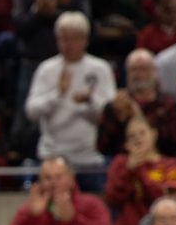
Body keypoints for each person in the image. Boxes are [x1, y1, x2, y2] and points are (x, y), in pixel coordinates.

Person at [24, 12, 116, 183]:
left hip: (89, 159)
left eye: (74, 39)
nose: (69, 44)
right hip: (52, 157)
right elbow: (31, 111)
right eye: (64, 39)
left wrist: (90, 100)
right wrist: (58, 94)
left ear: (85, 40)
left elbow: (111, 114)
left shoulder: (100, 69)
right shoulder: (47, 69)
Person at [104, 119, 176, 225]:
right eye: (132, 136)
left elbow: (162, 201)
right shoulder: (120, 163)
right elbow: (112, 198)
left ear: (154, 134)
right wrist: (127, 170)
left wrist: (139, 170)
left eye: (142, 133)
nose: (138, 139)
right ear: (126, 143)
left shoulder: (169, 165)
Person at [97, 49, 176, 159]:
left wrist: (137, 116)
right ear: (127, 73)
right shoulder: (114, 106)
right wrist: (118, 120)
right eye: (134, 70)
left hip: (162, 167)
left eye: (145, 69)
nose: (140, 74)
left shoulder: (170, 105)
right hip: (125, 167)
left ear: (155, 72)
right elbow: (103, 148)